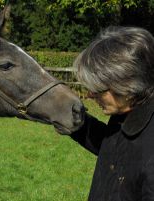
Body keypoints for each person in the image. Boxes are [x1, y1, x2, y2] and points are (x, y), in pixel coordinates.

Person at [67, 26, 154, 201]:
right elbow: (114, 148)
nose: (90, 95)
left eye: (98, 89)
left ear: (128, 84)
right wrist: (75, 122)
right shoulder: (128, 110)